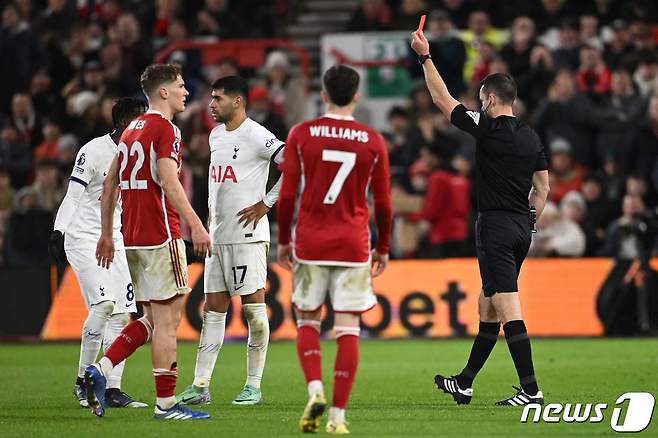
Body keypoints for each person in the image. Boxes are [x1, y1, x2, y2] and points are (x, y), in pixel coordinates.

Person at [411, 27, 550, 406]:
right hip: (522, 227)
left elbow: (441, 98)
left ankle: (531, 391)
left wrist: (425, 56)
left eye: (482, 98)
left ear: (488, 99)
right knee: (488, 307)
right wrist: (531, 220)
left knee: (507, 310)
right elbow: (542, 188)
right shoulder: (531, 137)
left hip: (496, 228)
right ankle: (466, 381)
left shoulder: (486, 127)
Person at [89, 64, 212, 421]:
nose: (185, 92)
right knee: (168, 323)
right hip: (162, 235)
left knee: (151, 319)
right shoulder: (166, 129)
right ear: (163, 92)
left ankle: (103, 366)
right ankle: (167, 405)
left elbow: (109, 185)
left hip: (132, 237)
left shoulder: (128, 132)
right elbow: (171, 184)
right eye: (180, 85)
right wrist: (196, 226)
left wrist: (107, 234)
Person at [277, 65, 392, 434]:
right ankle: (338, 417)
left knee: (308, 320)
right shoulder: (372, 140)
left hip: (310, 240)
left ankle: (315, 390)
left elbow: (287, 194)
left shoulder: (302, 134)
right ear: (356, 96)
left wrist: (283, 240)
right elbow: (385, 203)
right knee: (348, 328)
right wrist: (384, 246)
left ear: (322, 94)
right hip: (352, 243)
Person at [176, 76, 284, 406]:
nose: (211, 104)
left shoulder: (257, 135)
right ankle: (201, 385)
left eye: (218, 98)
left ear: (237, 102)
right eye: (211, 97)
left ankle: (253, 385)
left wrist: (267, 202)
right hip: (218, 237)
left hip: (248, 238)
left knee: (253, 312)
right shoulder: (216, 134)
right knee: (212, 312)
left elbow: (294, 165)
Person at [48, 97, 148, 410]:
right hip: (82, 237)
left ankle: (113, 389)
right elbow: (73, 196)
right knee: (104, 306)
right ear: (123, 122)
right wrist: (59, 230)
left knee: (121, 314)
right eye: (139, 120)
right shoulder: (92, 151)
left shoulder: (140, 155)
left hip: (114, 238)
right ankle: (83, 382)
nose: (145, 127)